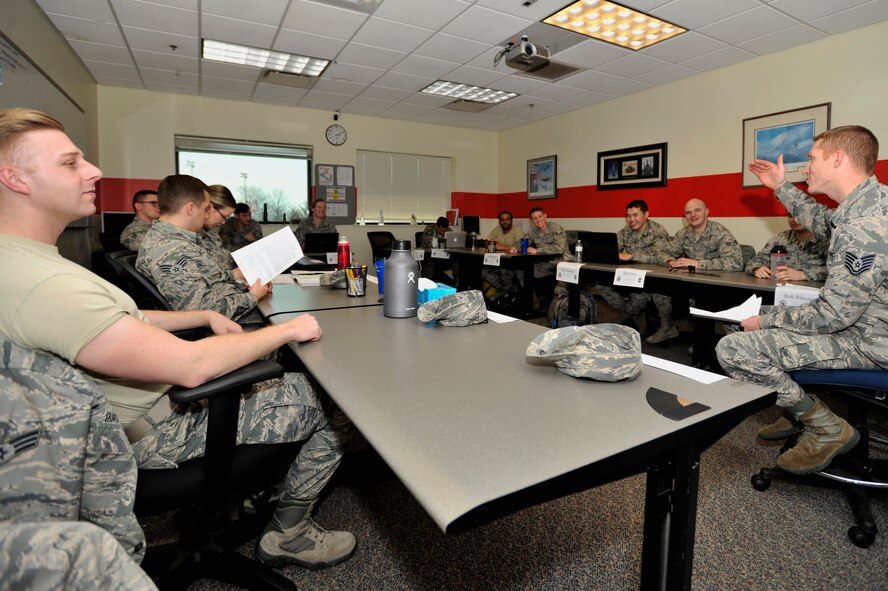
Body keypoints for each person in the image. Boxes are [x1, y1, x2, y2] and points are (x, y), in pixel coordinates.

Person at [0, 108, 356, 569]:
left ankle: (268, 489)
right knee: (336, 403)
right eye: (70, 163)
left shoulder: (25, 262)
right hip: (152, 429)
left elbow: (117, 320)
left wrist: (204, 314)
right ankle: (288, 531)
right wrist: (290, 327)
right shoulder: (43, 283)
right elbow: (190, 367)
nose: (94, 171)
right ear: (15, 179)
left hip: (138, 409)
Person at [717, 125, 887, 474]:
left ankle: (823, 425)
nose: (806, 168)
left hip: (871, 343)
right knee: (740, 316)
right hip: (862, 325)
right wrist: (781, 187)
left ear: (838, 158)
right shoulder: (869, 203)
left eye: (811, 159)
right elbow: (823, 222)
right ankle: (796, 404)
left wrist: (765, 321)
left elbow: (832, 316)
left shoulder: (864, 226)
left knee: (735, 348)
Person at [137, 175, 269, 324]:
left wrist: (234, 276)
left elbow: (208, 279)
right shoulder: (173, 250)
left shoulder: (181, 241)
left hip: (232, 305)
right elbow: (202, 312)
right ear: (191, 209)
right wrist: (253, 296)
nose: (207, 214)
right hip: (230, 325)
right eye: (206, 208)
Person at [596, 200, 672, 338]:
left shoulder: (658, 231)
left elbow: (660, 257)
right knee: (601, 284)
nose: (631, 219)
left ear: (646, 214)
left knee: (639, 297)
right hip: (629, 275)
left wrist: (632, 256)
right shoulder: (625, 232)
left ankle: (628, 316)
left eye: (635, 215)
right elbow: (612, 249)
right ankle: (633, 314)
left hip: (652, 277)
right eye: (628, 216)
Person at [745, 213, 828, 281]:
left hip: (815, 293)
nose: (794, 219)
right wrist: (757, 269)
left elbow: (838, 270)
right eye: (790, 215)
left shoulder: (826, 239)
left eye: (799, 215)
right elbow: (755, 260)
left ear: (812, 217)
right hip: (781, 289)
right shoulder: (781, 238)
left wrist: (803, 274)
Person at [481, 210, 526, 295]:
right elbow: (487, 242)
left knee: (504, 270)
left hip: (515, 263)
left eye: (507, 219)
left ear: (511, 221)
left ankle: (507, 293)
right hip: (500, 262)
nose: (505, 222)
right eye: (502, 219)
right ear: (499, 221)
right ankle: (508, 291)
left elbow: (519, 247)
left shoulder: (517, 230)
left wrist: (501, 247)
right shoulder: (497, 229)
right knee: (484, 272)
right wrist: (492, 244)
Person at [201, 183, 238, 275]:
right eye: (223, 216)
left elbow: (225, 260)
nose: (223, 222)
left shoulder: (210, 235)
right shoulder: (190, 238)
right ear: (209, 207)